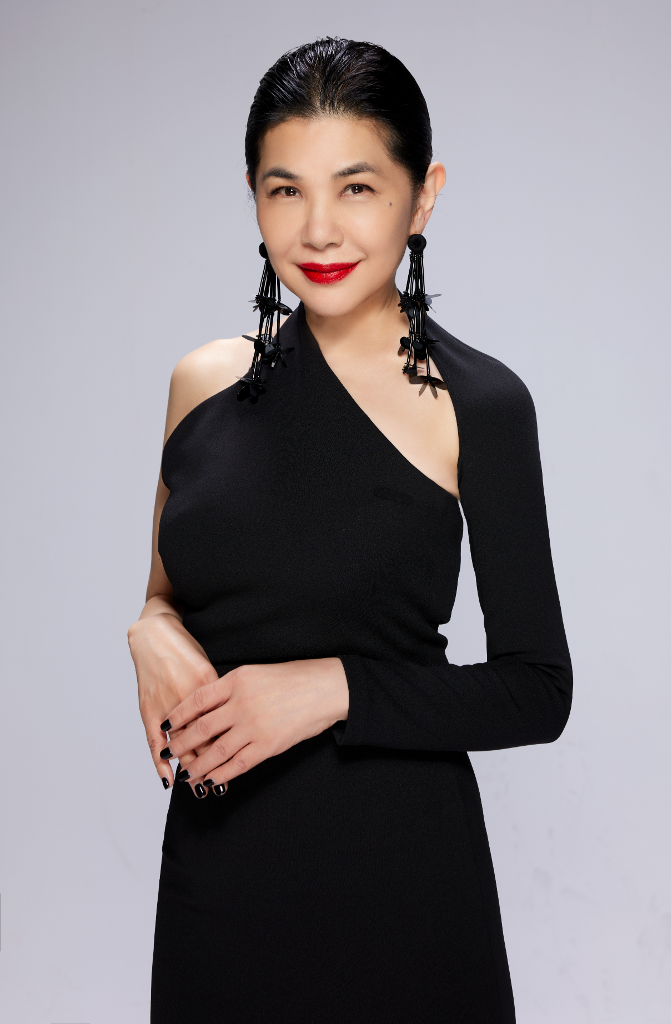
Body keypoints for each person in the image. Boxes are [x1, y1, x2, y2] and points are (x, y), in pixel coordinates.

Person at [128, 36, 572, 1024]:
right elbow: (167, 594)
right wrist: (148, 629)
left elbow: (538, 690)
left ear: (422, 197)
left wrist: (332, 688)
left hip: (402, 891)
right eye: (284, 189)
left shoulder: (477, 405)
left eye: (357, 187)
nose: (318, 227)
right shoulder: (201, 385)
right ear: (252, 197)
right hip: (216, 882)